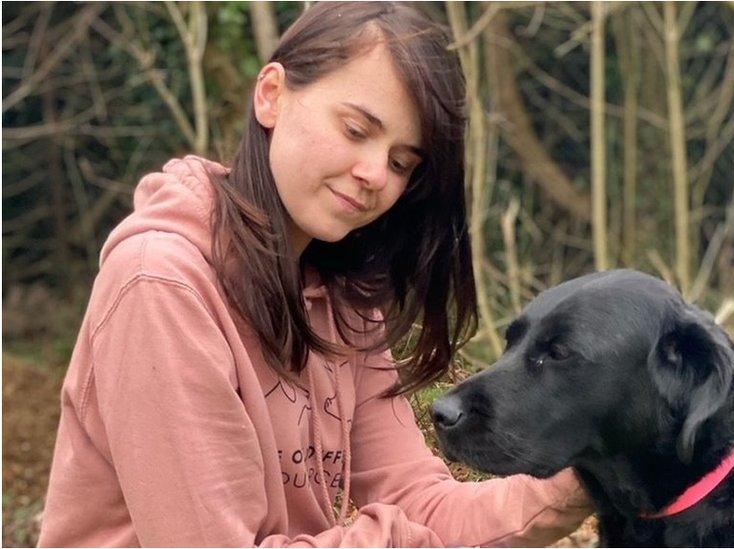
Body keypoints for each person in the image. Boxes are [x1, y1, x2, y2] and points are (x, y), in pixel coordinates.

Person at [37, 3, 592, 547]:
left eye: (402, 163)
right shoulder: (161, 286)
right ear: (271, 95)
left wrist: (593, 474)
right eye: (355, 130)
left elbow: (423, 504)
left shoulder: (344, 299)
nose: (375, 174)